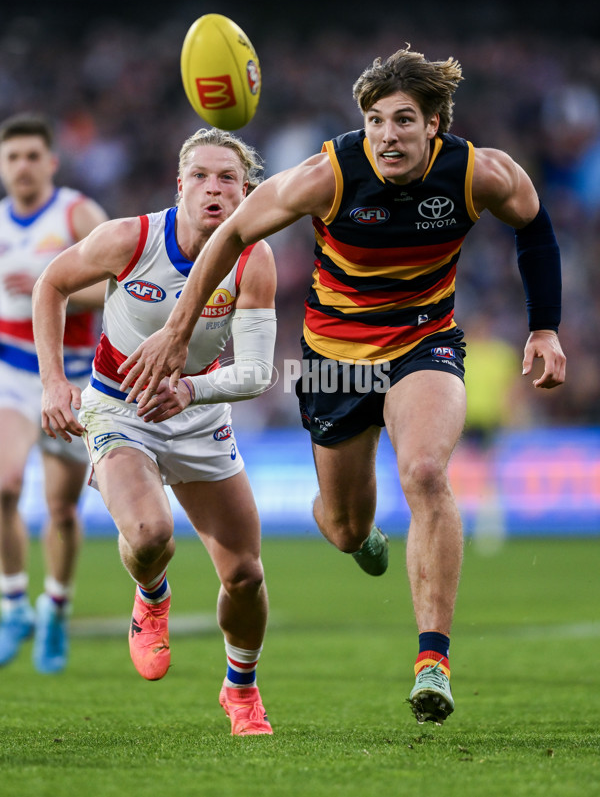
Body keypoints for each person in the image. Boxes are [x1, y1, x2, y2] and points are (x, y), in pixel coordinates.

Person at [115, 48, 566, 726]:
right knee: (343, 522)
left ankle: (432, 661)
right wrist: (179, 331)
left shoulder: (479, 172)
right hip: (334, 361)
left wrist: (545, 327)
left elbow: (533, 224)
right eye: (377, 120)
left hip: (424, 340)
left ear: (435, 125)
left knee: (423, 471)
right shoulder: (328, 174)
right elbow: (233, 232)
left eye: (405, 121)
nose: (388, 135)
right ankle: (361, 538)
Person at [32, 127, 277, 736]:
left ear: (246, 193)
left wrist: (190, 390)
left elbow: (255, 372)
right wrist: (54, 383)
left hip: (198, 414)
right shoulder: (131, 237)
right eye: (201, 176)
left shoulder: (255, 257)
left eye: (228, 179)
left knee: (244, 574)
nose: (214, 189)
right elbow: (51, 285)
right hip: (119, 407)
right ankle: (153, 594)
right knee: (149, 534)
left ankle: (240, 690)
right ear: (179, 185)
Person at [0, 113, 108, 673]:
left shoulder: (77, 214)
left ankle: (56, 609)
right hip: (14, 372)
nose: (21, 166)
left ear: (50, 162)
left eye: (30, 156)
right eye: (11, 157)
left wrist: (49, 283)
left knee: (61, 509)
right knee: (4, 483)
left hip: (74, 374)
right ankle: (14, 602)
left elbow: (124, 281)